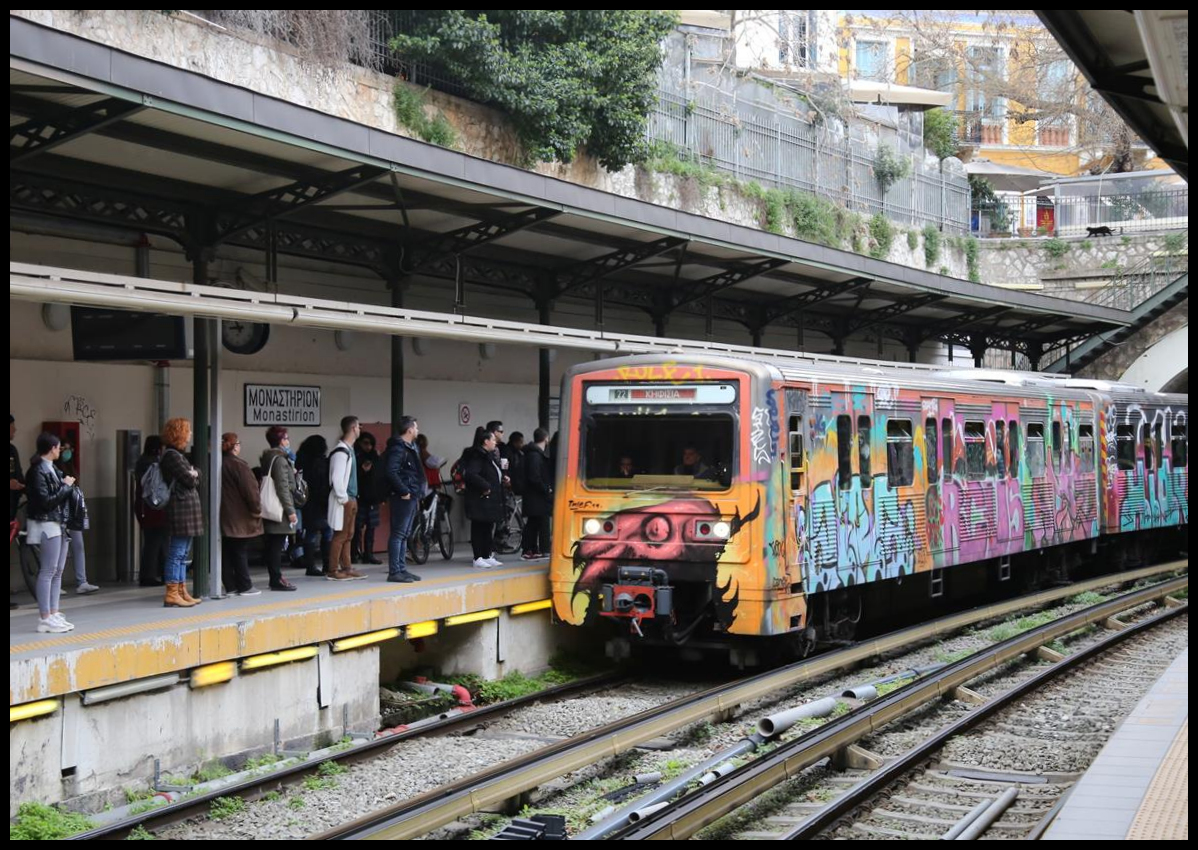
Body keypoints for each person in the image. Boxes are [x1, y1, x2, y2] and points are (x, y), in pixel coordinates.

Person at [25, 432, 77, 632]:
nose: (60, 451)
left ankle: (54, 612)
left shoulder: (51, 468)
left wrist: (65, 485)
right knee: (47, 570)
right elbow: (46, 501)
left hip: (58, 523)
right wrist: (65, 488)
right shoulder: (37, 471)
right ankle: (44, 617)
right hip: (47, 524)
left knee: (57, 571)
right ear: (52, 448)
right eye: (58, 447)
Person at [159, 417, 202, 608]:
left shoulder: (177, 455)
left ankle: (181, 590)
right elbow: (190, 479)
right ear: (180, 433)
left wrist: (195, 473)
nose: (191, 434)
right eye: (188, 430)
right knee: (177, 552)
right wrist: (193, 474)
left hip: (185, 508)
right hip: (181, 508)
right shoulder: (172, 456)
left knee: (183, 553)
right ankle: (172, 592)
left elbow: (195, 475)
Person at [219, 432, 262, 596]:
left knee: (227, 551)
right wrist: (257, 510)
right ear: (235, 446)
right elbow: (251, 492)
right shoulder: (239, 465)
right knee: (240, 550)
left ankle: (230, 586)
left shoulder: (218, 463)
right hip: (239, 516)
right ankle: (245, 585)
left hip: (223, 514)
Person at [382, 415, 423, 583]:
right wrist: (403, 490)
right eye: (416, 427)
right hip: (403, 496)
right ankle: (394, 571)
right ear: (410, 430)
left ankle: (402, 568)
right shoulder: (399, 448)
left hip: (411, 494)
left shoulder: (410, 447)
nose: (418, 430)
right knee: (398, 533)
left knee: (405, 533)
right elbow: (391, 471)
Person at [259, 426, 299, 591]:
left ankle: (275, 577)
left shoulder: (269, 458)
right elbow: (283, 487)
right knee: (276, 545)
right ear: (280, 441)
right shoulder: (280, 460)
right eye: (286, 438)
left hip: (273, 507)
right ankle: (276, 578)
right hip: (279, 509)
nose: (288, 441)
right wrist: (290, 511)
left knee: (273, 545)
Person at [327, 416, 366, 581]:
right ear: (353, 428)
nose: (360, 429)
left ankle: (347, 567)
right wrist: (345, 499)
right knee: (340, 535)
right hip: (345, 499)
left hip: (351, 497)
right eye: (358, 426)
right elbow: (337, 479)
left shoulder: (348, 450)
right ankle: (333, 570)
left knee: (349, 534)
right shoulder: (341, 452)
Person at [464, 428, 505, 569]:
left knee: (488, 527)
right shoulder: (478, 456)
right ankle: (478, 557)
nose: (495, 442)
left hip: (490, 499)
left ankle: (487, 555)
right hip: (481, 498)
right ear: (486, 441)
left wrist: (502, 477)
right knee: (479, 528)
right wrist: (486, 485)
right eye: (493, 440)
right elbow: (471, 474)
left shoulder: (489, 455)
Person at [295, 434, 332, 578]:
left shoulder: (301, 461)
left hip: (307, 503)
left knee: (310, 534)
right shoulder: (321, 463)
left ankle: (310, 565)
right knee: (327, 533)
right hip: (321, 503)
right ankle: (327, 564)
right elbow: (323, 484)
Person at [133, 436, 167, 586]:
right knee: (155, 542)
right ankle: (149, 575)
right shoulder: (153, 464)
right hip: (154, 507)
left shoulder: (142, 461)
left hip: (145, 507)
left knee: (153, 541)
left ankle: (153, 574)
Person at [520, 428, 553, 560]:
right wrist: (546, 488)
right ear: (546, 438)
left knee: (535, 522)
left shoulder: (533, 454)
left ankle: (532, 549)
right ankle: (527, 549)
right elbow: (534, 477)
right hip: (536, 496)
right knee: (533, 524)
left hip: (534, 496)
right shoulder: (535, 455)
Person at [352, 432, 382, 565]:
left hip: (373, 497)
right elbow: (353, 478)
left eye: (370, 443)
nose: (368, 446)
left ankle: (368, 554)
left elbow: (379, 476)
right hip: (360, 497)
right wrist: (362, 471)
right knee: (356, 528)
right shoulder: (356, 456)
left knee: (371, 527)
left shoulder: (375, 457)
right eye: (365, 443)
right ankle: (354, 553)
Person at [10, 415, 25, 609]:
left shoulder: (12, 450)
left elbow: (19, 473)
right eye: (12, 426)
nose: (15, 430)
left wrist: (21, 485)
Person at [416, 433, 444, 498]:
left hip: (423, 490)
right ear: (426, 444)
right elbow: (439, 462)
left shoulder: (416, 457)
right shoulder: (428, 458)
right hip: (429, 490)